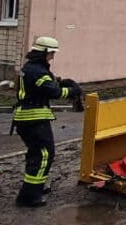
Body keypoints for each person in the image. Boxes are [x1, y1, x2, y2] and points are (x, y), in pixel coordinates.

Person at [12, 36, 82, 207]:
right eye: (51, 53)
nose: (52, 57)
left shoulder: (31, 68)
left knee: (36, 154)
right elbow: (52, 92)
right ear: (43, 52)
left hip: (26, 118)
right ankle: (29, 196)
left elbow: (40, 86)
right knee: (44, 155)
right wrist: (72, 91)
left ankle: (35, 187)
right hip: (34, 119)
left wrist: (58, 81)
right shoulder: (37, 71)